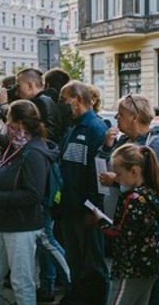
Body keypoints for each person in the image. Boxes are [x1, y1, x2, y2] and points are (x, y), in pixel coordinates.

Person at [97, 93, 159, 305]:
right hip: (123, 222)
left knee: (147, 290)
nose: (116, 117)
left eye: (120, 114)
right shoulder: (123, 140)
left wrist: (116, 182)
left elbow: (157, 189)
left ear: (133, 116)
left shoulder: (155, 144)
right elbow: (108, 165)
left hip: (142, 232)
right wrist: (106, 147)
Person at [0, 100, 56, 304]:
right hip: (7, 224)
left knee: (21, 282)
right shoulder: (18, 147)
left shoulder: (33, 153)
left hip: (21, 226)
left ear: (20, 123)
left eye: (10, 120)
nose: (7, 124)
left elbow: (33, 195)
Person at [94, 144, 159, 305]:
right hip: (150, 265)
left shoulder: (132, 199)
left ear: (134, 171)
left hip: (130, 267)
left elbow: (121, 232)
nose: (117, 179)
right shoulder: (153, 193)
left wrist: (100, 220)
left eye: (119, 174)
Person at [57, 80, 109, 304]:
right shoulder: (73, 127)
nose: (61, 104)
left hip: (85, 210)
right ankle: (76, 296)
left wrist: (93, 207)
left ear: (76, 100)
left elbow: (99, 172)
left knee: (93, 263)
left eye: (63, 99)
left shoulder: (96, 128)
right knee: (75, 260)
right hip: (70, 207)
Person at [15, 68, 65, 143]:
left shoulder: (39, 102)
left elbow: (49, 133)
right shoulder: (46, 99)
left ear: (30, 86)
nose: (16, 92)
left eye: (18, 86)